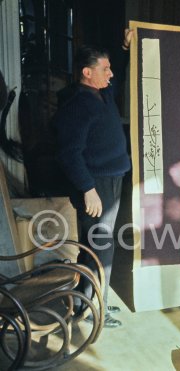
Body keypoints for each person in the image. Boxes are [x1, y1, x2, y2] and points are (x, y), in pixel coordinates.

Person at [53, 29, 134, 328]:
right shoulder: (77, 105)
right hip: (95, 184)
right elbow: (69, 154)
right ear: (87, 73)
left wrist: (123, 49)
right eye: (105, 69)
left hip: (110, 179)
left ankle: (89, 300)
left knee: (101, 245)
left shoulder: (101, 93)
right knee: (99, 245)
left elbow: (120, 76)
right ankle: (94, 309)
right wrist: (88, 189)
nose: (110, 74)